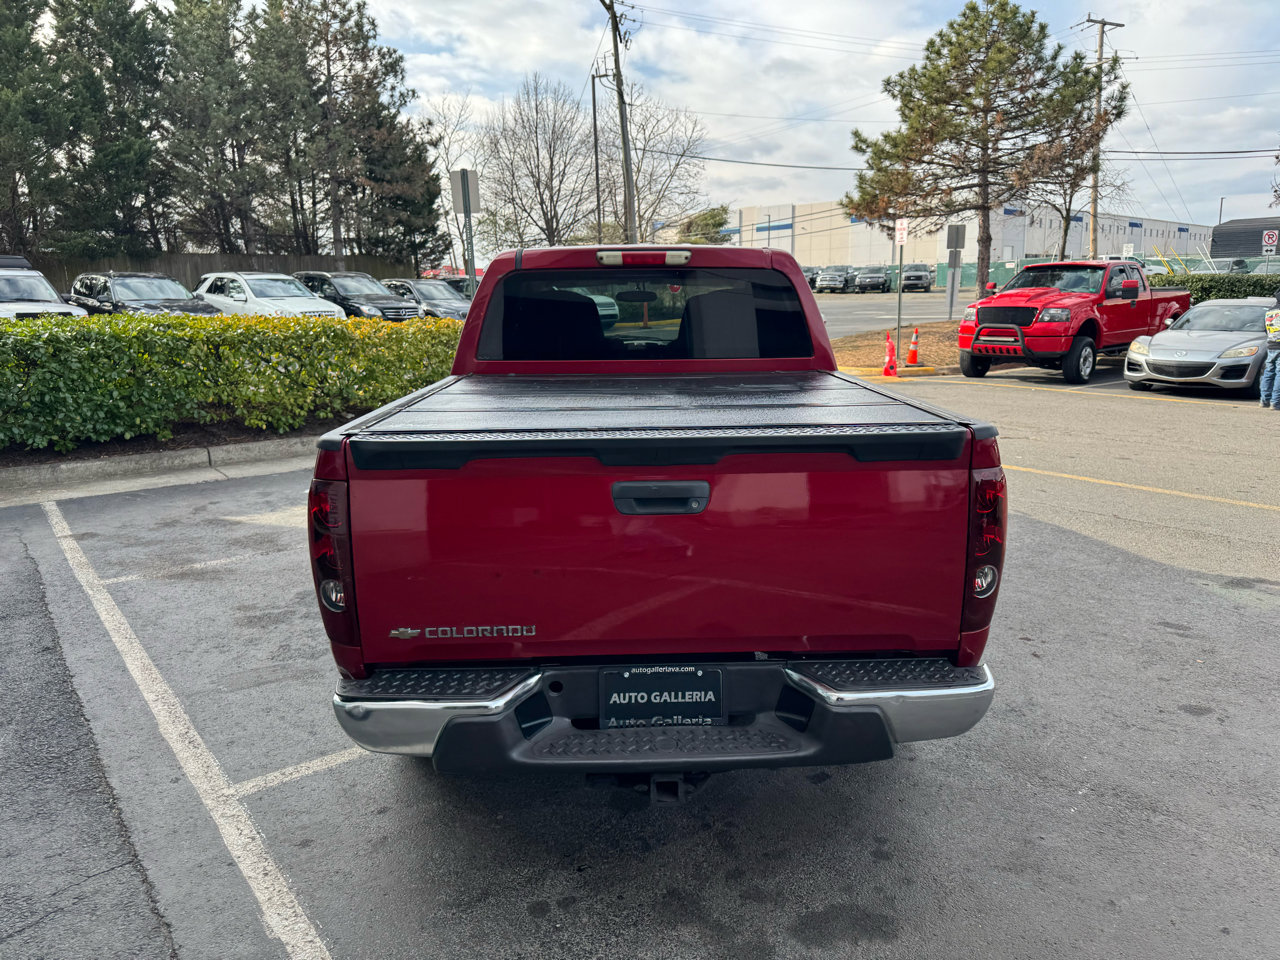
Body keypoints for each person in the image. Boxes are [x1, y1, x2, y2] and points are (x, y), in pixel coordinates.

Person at [1262, 294, 1280, 409]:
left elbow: (1265, 329)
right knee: (1279, 373)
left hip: (1271, 344)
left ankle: (1264, 400)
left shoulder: (1269, 311)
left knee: (1269, 372)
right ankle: (1276, 402)